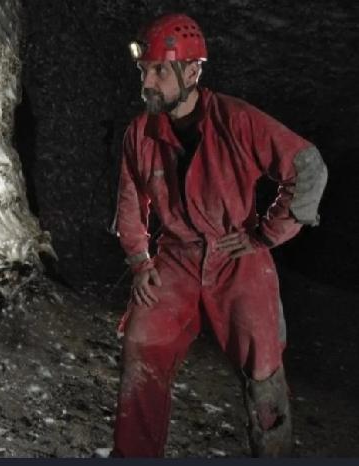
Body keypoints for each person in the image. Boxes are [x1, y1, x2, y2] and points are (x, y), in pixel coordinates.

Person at [111, 13, 328, 457]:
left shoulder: (236, 119)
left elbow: (307, 167)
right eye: (144, 71)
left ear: (192, 72)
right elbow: (131, 200)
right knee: (142, 339)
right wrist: (139, 261)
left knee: (263, 366)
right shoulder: (142, 131)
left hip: (236, 254)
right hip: (175, 256)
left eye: (158, 70)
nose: (147, 82)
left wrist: (267, 235)